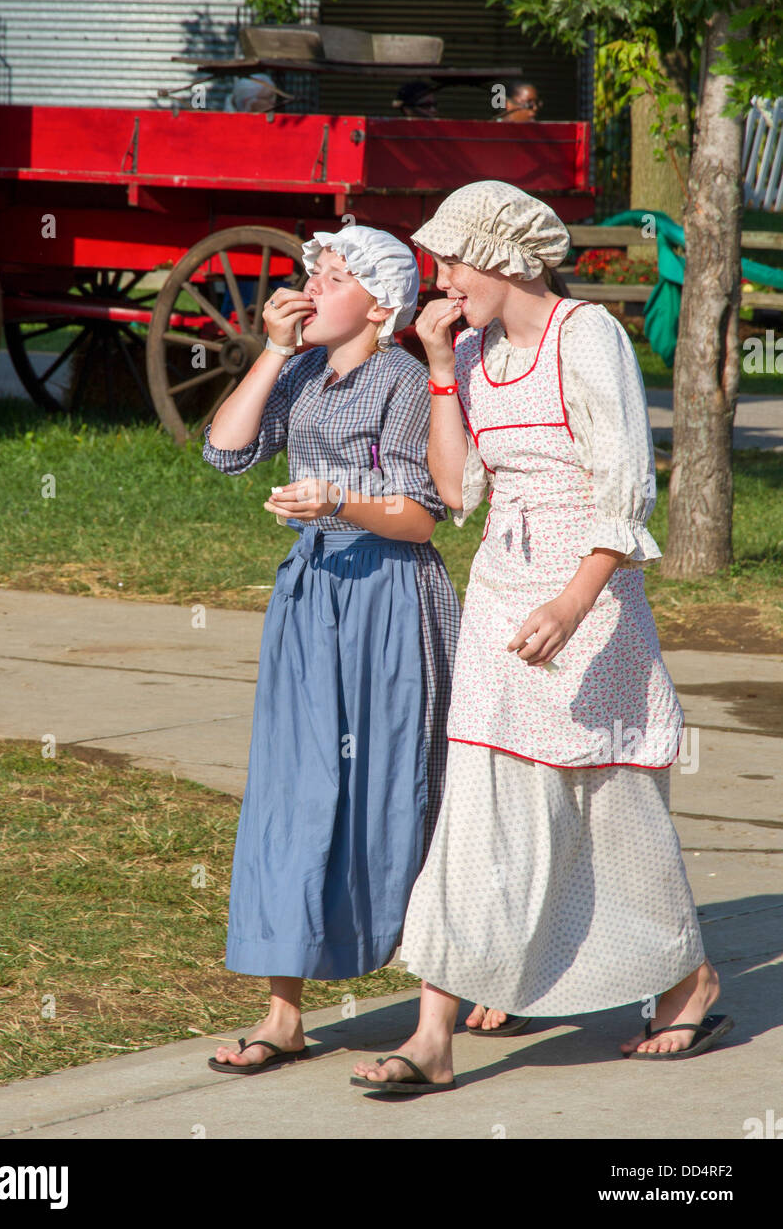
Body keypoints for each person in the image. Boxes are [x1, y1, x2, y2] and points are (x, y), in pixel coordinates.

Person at [351, 180, 732, 1095]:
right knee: (479, 794)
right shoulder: (474, 350)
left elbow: (627, 485)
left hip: (586, 600)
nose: (440, 279)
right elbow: (459, 490)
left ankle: (685, 978)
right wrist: (441, 368)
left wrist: (571, 604)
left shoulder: (586, 336)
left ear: (501, 257)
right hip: (498, 591)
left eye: (450, 260)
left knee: (607, 800)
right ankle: (434, 1031)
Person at [201, 224, 461, 1072]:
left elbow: (424, 515)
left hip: (388, 597)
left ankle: (459, 985)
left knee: (399, 784)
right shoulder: (305, 369)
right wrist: (273, 352)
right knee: (294, 785)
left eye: (336, 275)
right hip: (310, 598)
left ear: (382, 304)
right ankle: (283, 1013)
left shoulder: (401, 379)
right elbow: (225, 449)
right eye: (311, 269)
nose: (312, 286)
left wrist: (337, 503)